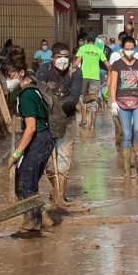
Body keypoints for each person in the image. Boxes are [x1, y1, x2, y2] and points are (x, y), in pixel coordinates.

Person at [3, 46, 55, 231]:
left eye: (11, 76)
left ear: (21, 73)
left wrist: (16, 153)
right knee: (26, 180)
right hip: (45, 139)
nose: (9, 80)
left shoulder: (26, 95)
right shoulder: (31, 87)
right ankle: (42, 216)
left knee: (25, 183)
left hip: (39, 140)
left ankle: (33, 224)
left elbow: (31, 128)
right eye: (7, 77)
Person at [36, 42, 82, 202]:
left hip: (68, 119)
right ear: (52, 58)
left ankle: (59, 196)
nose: (62, 60)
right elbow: (40, 93)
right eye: (59, 57)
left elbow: (74, 97)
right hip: (47, 119)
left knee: (64, 156)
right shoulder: (43, 71)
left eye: (65, 57)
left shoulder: (75, 72)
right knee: (48, 159)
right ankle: (57, 192)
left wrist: (61, 110)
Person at [109, 36, 138, 178]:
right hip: (122, 102)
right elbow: (113, 85)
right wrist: (113, 102)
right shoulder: (117, 65)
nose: (129, 51)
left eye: (131, 49)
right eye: (126, 49)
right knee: (126, 135)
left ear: (135, 49)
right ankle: (127, 170)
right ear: (122, 49)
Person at [74, 32, 110, 130]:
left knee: (82, 97)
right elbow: (108, 65)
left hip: (83, 77)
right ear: (94, 41)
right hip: (95, 77)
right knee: (93, 100)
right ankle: (93, 126)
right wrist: (109, 76)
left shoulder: (82, 49)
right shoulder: (98, 50)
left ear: (86, 40)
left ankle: (84, 119)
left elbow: (76, 64)